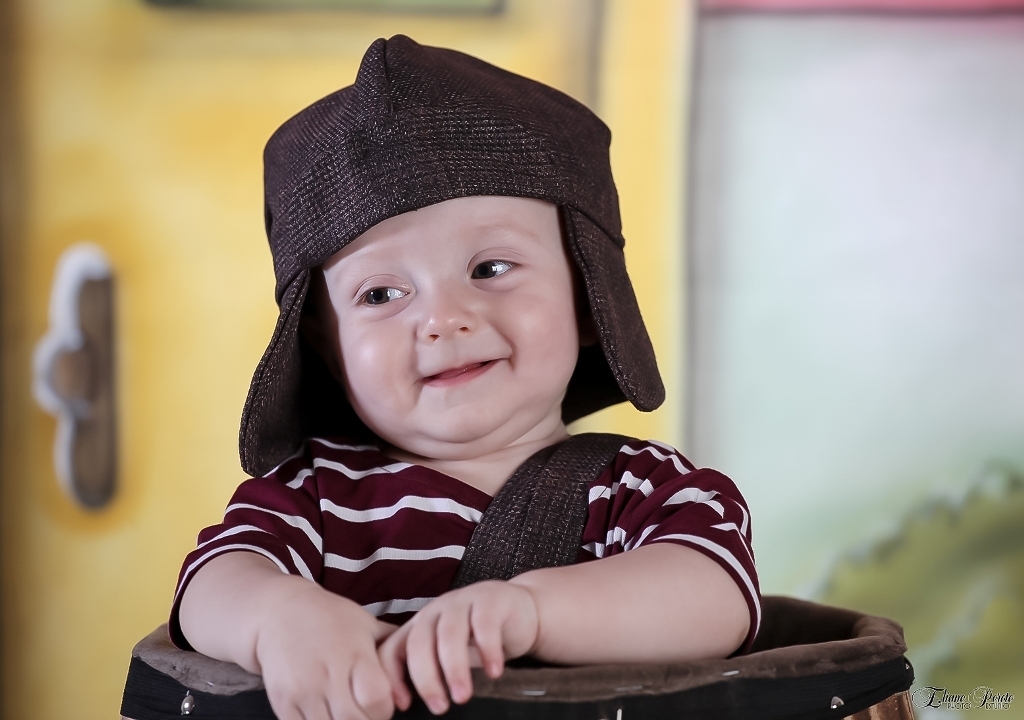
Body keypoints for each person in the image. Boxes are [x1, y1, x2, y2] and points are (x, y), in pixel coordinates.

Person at [170, 35, 760, 720]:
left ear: (588, 297)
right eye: (381, 294)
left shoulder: (640, 491)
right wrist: (279, 618)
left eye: (490, 268)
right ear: (326, 347)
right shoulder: (315, 500)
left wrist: (531, 612)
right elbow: (211, 584)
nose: (443, 319)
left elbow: (716, 594)